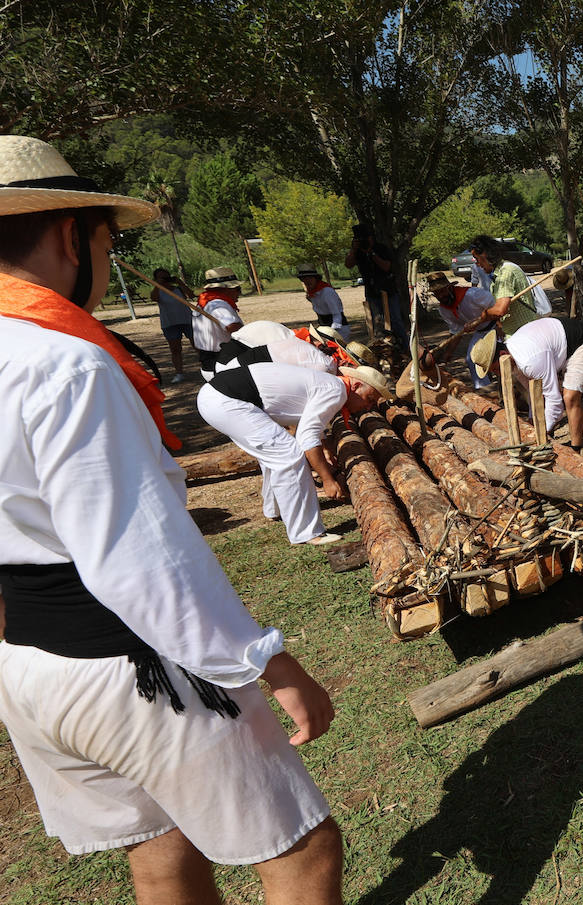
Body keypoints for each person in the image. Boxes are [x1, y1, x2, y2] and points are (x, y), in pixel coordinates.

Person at [0, 135, 343, 904]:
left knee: (162, 847)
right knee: (303, 849)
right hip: (126, 662)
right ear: (68, 235)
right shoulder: (66, 364)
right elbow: (138, 559)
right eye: (106, 239)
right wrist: (264, 662)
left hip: (29, 666)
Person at [197, 361, 393, 545]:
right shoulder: (336, 390)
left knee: (275, 453)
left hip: (217, 398)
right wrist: (327, 480)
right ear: (357, 386)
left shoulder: (329, 384)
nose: (368, 406)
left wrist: (328, 462)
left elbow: (308, 428)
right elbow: (307, 439)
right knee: (288, 455)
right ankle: (307, 533)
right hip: (226, 402)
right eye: (369, 399)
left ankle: (275, 509)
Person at [472, 316, 583, 452]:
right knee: (548, 406)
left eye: (496, 369)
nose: (498, 374)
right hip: (559, 344)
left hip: (581, 341)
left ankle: (575, 450)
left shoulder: (530, 362)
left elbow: (554, 402)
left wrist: (540, 434)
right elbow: (536, 395)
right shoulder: (512, 358)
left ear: (503, 354)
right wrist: (532, 423)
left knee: (570, 397)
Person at [424, 269, 496, 388]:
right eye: (437, 293)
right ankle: (484, 388)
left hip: (497, 325)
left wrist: (498, 328)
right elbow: (456, 332)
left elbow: (496, 307)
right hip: (481, 332)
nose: (441, 296)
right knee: (472, 359)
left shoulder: (472, 295)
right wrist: (447, 354)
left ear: (449, 287)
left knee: (498, 355)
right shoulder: (444, 309)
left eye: (442, 291)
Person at [464, 234, 546, 339]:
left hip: (524, 335)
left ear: (485, 255)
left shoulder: (506, 272)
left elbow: (499, 310)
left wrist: (481, 318)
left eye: (476, 258)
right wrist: (498, 326)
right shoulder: (498, 274)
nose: (477, 264)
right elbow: (504, 310)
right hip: (516, 334)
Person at [345, 222, 405, 338]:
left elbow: (387, 267)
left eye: (364, 239)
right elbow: (348, 264)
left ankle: (404, 348)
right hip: (371, 292)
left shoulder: (381, 248)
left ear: (371, 238)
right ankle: (382, 349)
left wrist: (371, 253)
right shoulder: (357, 252)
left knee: (395, 321)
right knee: (375, 324)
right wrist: (353, 250)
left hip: (388, 291)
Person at [192, 266, 244, 381]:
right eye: (237, 289)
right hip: (221, 363)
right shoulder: (218, 305)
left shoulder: (204, 301)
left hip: (210, 360)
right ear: (227, 289)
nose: (239, 293)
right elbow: (233, 327)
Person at [151, 267, 194, 382]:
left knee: (197, 345)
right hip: (170, 323)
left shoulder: (178, 289)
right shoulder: (158, 291)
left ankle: (206, 366)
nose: (165, 279)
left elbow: (191, 295)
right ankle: (179, 373)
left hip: (187, 320)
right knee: (175, 349)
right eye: (162, 277)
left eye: (166, 276)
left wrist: (180, 283)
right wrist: (157, 285)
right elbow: (153, 298)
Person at [296, 265, 350, 341]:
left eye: (310, 278)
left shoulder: (327, 292)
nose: (307, 281)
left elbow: (337, 315)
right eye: (304, 279)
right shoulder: (312, 293)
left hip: (338, 329)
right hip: (325, 328)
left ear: (316, 279)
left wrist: (331, 334)